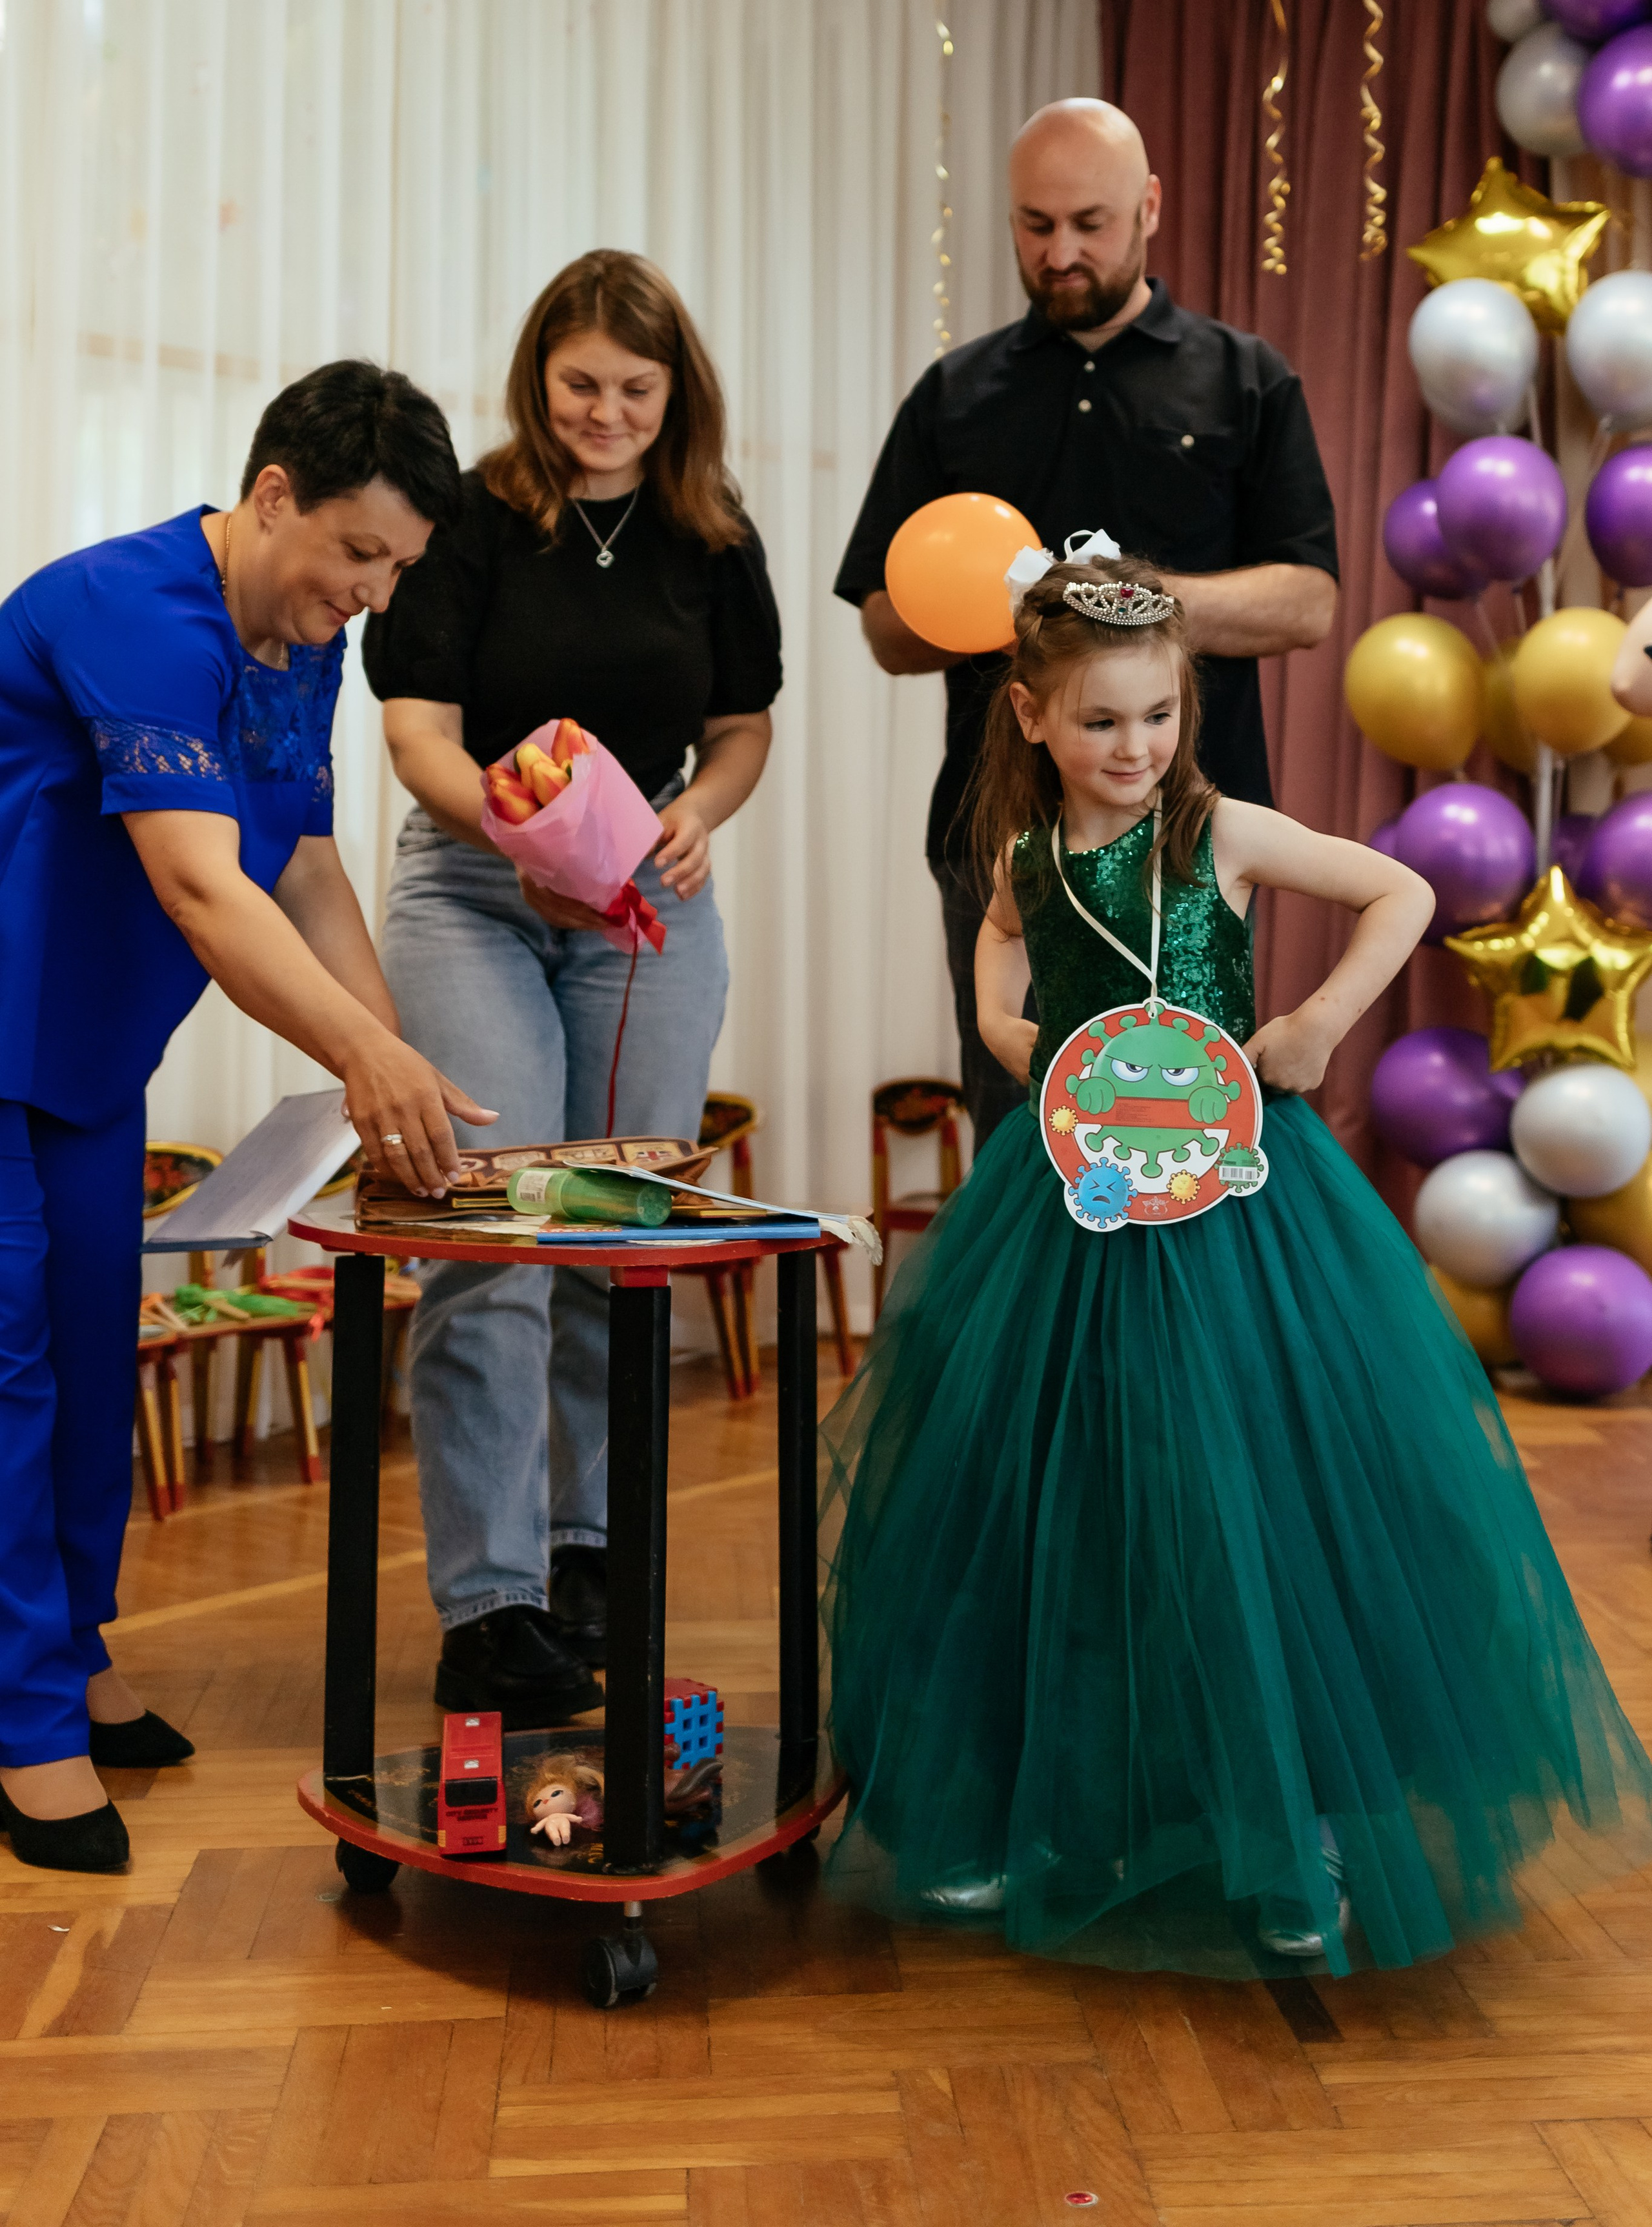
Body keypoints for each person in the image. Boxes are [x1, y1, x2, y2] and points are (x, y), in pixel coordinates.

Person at [819, 559, 1652, 1976]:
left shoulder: (1220, 832)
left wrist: (1318, 1023)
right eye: (1098, 723)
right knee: (1062, 1499)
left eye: (1155, 716)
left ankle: (1290, 1826)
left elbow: (1395, 889)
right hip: (1071, 1213)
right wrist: (1030, 1049)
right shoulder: (1021, 864)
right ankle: (1058, 1818)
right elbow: (995, 980)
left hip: (1234, 1218)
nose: (1133, 747)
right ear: (1025, 716)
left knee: (1248, 1492)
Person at [0, 361, 490, 1875]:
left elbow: (304, 869)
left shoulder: (299, 638)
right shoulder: (130, 612)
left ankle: (72, 1653)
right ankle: (22, 1726)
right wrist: (365, 1057)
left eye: (396, 569)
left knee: (92, 1351)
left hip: (78, 1045)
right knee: (10, 1370)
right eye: (357, 554)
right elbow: (204, 888)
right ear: (271, 494)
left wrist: (388, 1064)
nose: (369, 594)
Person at [365, 250, 781, 1726]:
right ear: (540, 376)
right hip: (476, 893)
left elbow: (739, 730)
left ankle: (589, 1553)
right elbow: (417, 736)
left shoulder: (710, 537)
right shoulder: (472, 516)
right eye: (580, 384)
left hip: (645, 909)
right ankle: (489, 1601)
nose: (604, 413)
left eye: (634, 389)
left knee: (617, 1220)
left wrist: (702, 814)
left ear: (678, 397)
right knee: (495, 1228)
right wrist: (523, 840)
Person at [834, 97, 1338, 1150]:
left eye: (1090, 224)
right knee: (1026, 1134)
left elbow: (1308, 601)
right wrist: (995, 611)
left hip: (1200, 836)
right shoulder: (953, 395)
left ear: (1150, 207)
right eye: (1034, 225)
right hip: (1001, 840)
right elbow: (884, 626)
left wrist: (1110, 601)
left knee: (1186, 1135)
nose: (1060, 252)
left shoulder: (1248, 379)